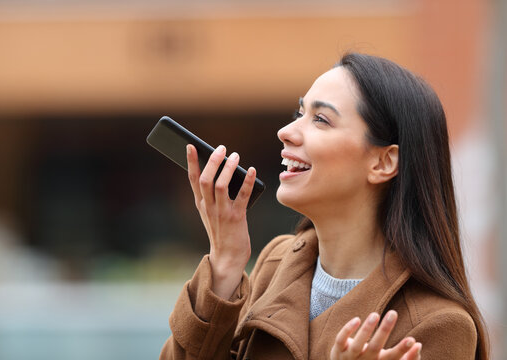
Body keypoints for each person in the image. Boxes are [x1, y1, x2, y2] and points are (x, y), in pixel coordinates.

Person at [159, 53, 489, 359]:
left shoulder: (439, 326)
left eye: (320, 119)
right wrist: (225, 262)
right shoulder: (275, 265)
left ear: (383, 162)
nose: (286, 132)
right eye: (298, 114)